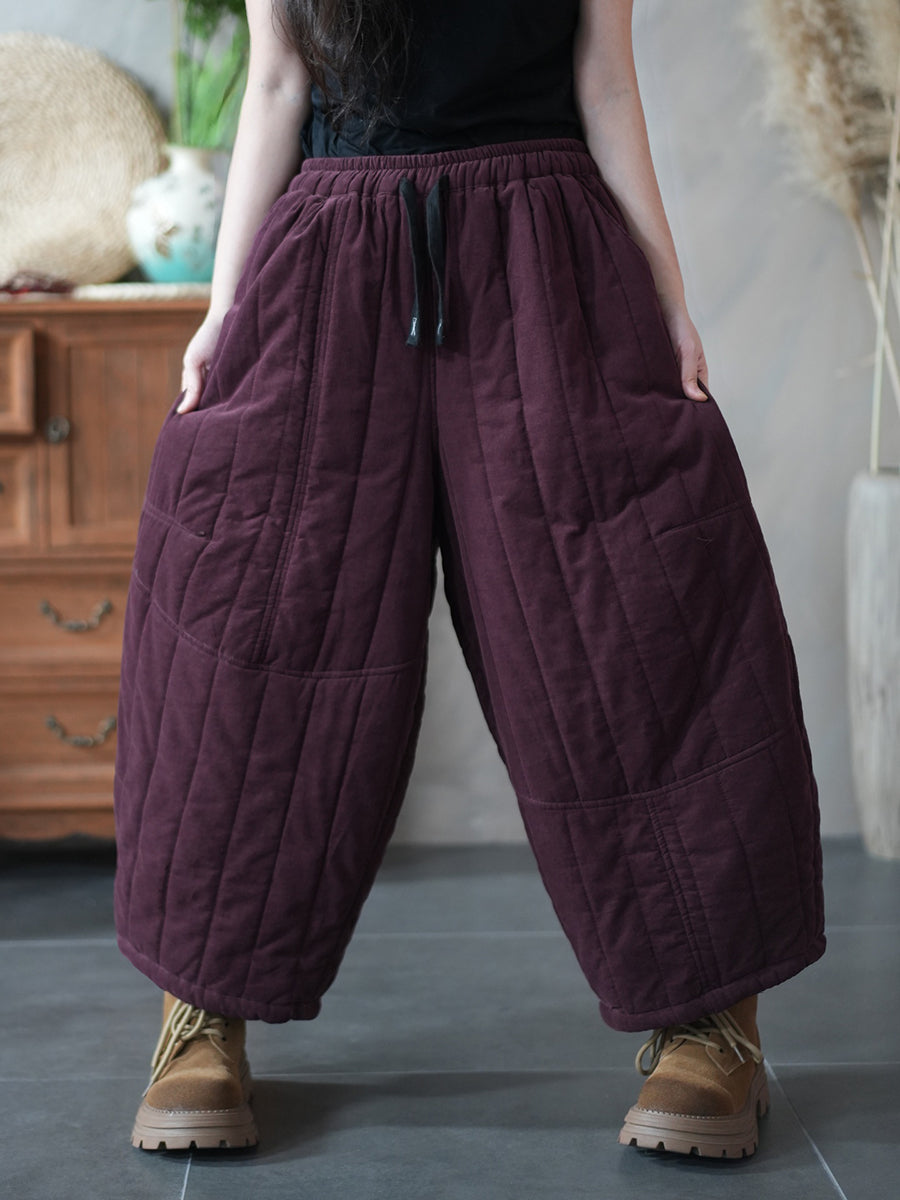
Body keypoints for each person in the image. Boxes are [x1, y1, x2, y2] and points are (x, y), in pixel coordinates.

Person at [113, 0, 825, 1161]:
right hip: (328, 253)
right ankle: (202, 1014)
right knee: (250, 608)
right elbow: (278, 80)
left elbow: (605, 81)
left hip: (548, 253)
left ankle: (711, 1023)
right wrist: (223, 310)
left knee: (639, 612)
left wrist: (668, 296)